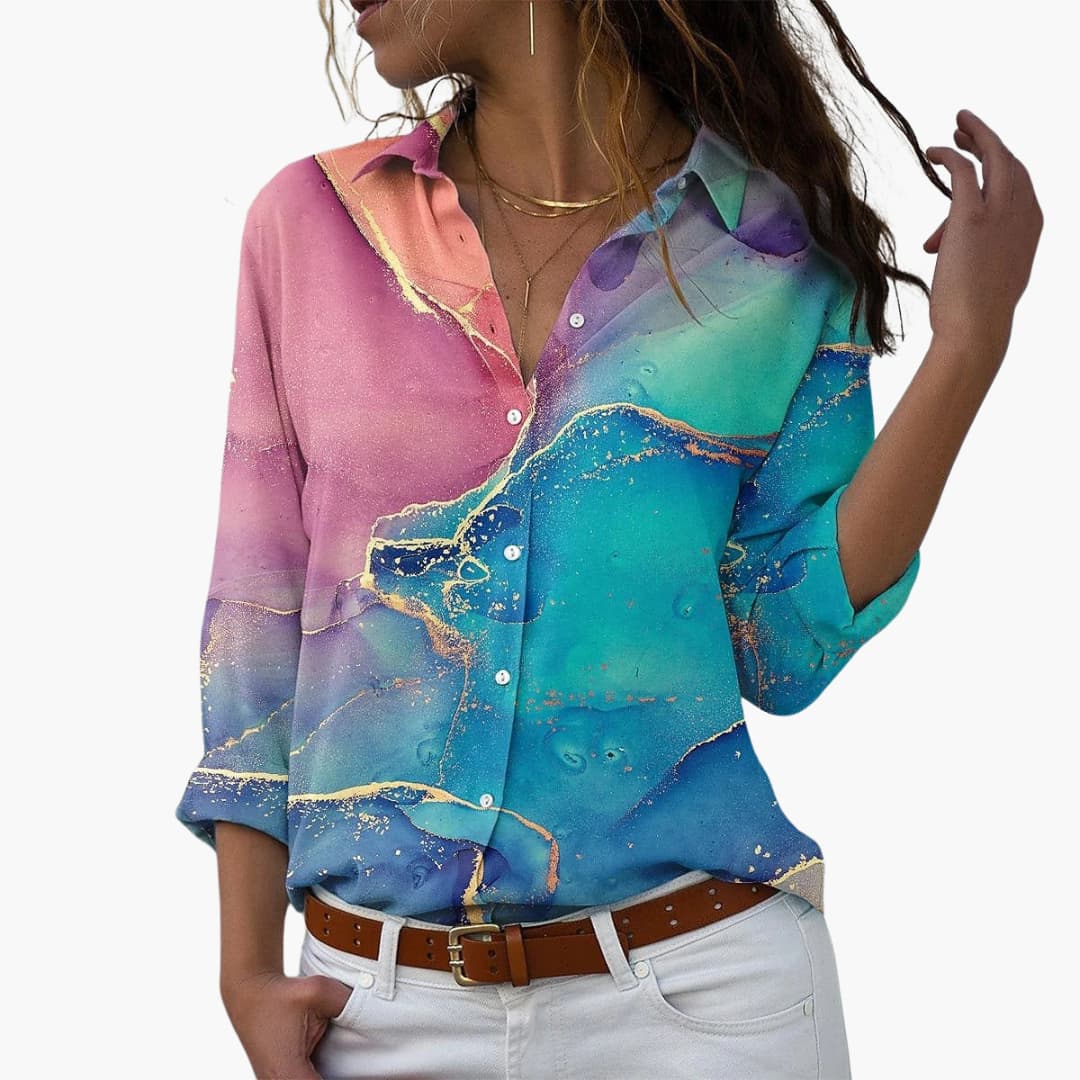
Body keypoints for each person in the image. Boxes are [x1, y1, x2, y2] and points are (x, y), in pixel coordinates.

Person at [175, 1, 1042, 1077]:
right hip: (372, 1013)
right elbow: (255, 616)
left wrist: (967, 349)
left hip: (704, 1007)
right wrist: (244, 972)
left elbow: (783, 647)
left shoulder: (774, 249)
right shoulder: (314, 225)